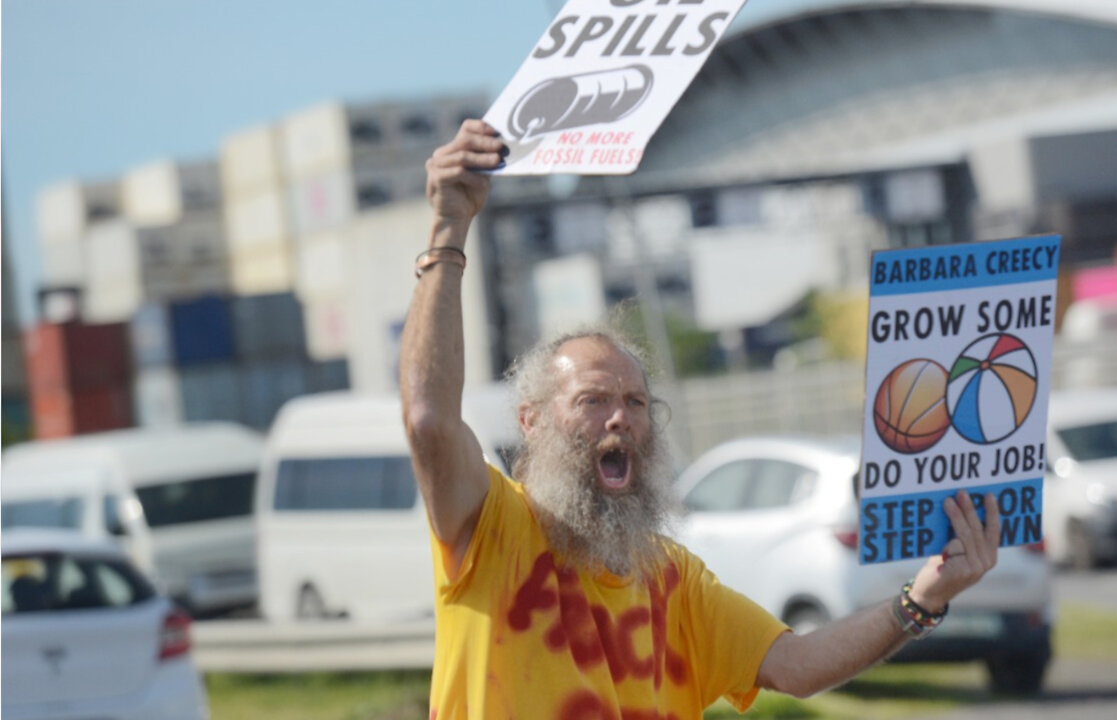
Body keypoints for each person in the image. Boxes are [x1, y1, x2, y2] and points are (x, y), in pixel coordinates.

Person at [400, 120, 1003, 720]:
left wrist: (921, 601)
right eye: (592, 400)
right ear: (530, 421)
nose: (620, 420)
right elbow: (429, 418)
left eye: (636, 403)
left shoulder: (671, 578)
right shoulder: (490, 529)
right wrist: (450, 229)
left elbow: (796, 665)